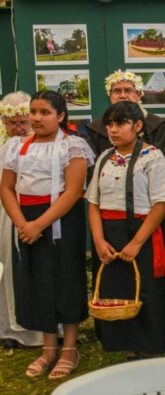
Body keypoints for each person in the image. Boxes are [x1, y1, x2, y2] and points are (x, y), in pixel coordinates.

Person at [0, 91, 94, 378]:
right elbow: (7, 187)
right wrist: (21, 223)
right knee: (36, 278)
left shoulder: (72, 146)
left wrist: (39, 224)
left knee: (64, 278)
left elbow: (74, 191)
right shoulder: (16, 146)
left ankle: (69, 347)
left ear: (61, 116)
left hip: (59, 220)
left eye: (45, 112)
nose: (37, 118)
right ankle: (48, 347)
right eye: (34, 112)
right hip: (25, 220)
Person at [85, 101, 165, 360]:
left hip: (142, 233)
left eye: (120, 123)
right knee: (117, 289)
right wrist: (99, 240)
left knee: (146, 289)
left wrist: (137, 242)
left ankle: (150, 349)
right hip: (109, 235)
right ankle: (126, 347)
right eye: (110, 124)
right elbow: (93, 202)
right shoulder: (104, 157)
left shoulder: (153, 157)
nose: (113, 130)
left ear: (138, 126)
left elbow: (160, 204)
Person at [0, 92, 42, 350]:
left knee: (39, 268)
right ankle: (10, 329)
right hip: (6, 215)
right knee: (8, 267)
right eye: (11, 122)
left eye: (22, 122)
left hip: (36, 213)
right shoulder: (5, 148)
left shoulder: (42, 146)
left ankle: (45, 329)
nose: (18, 127)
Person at [80, 70, 165, 169]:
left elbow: (163, 166)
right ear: (110, 96)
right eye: (117, 91)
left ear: (138, 94)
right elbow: (93, 169)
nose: (123, 95)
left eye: (128, 90)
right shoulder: (95, 129)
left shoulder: (156, 125)